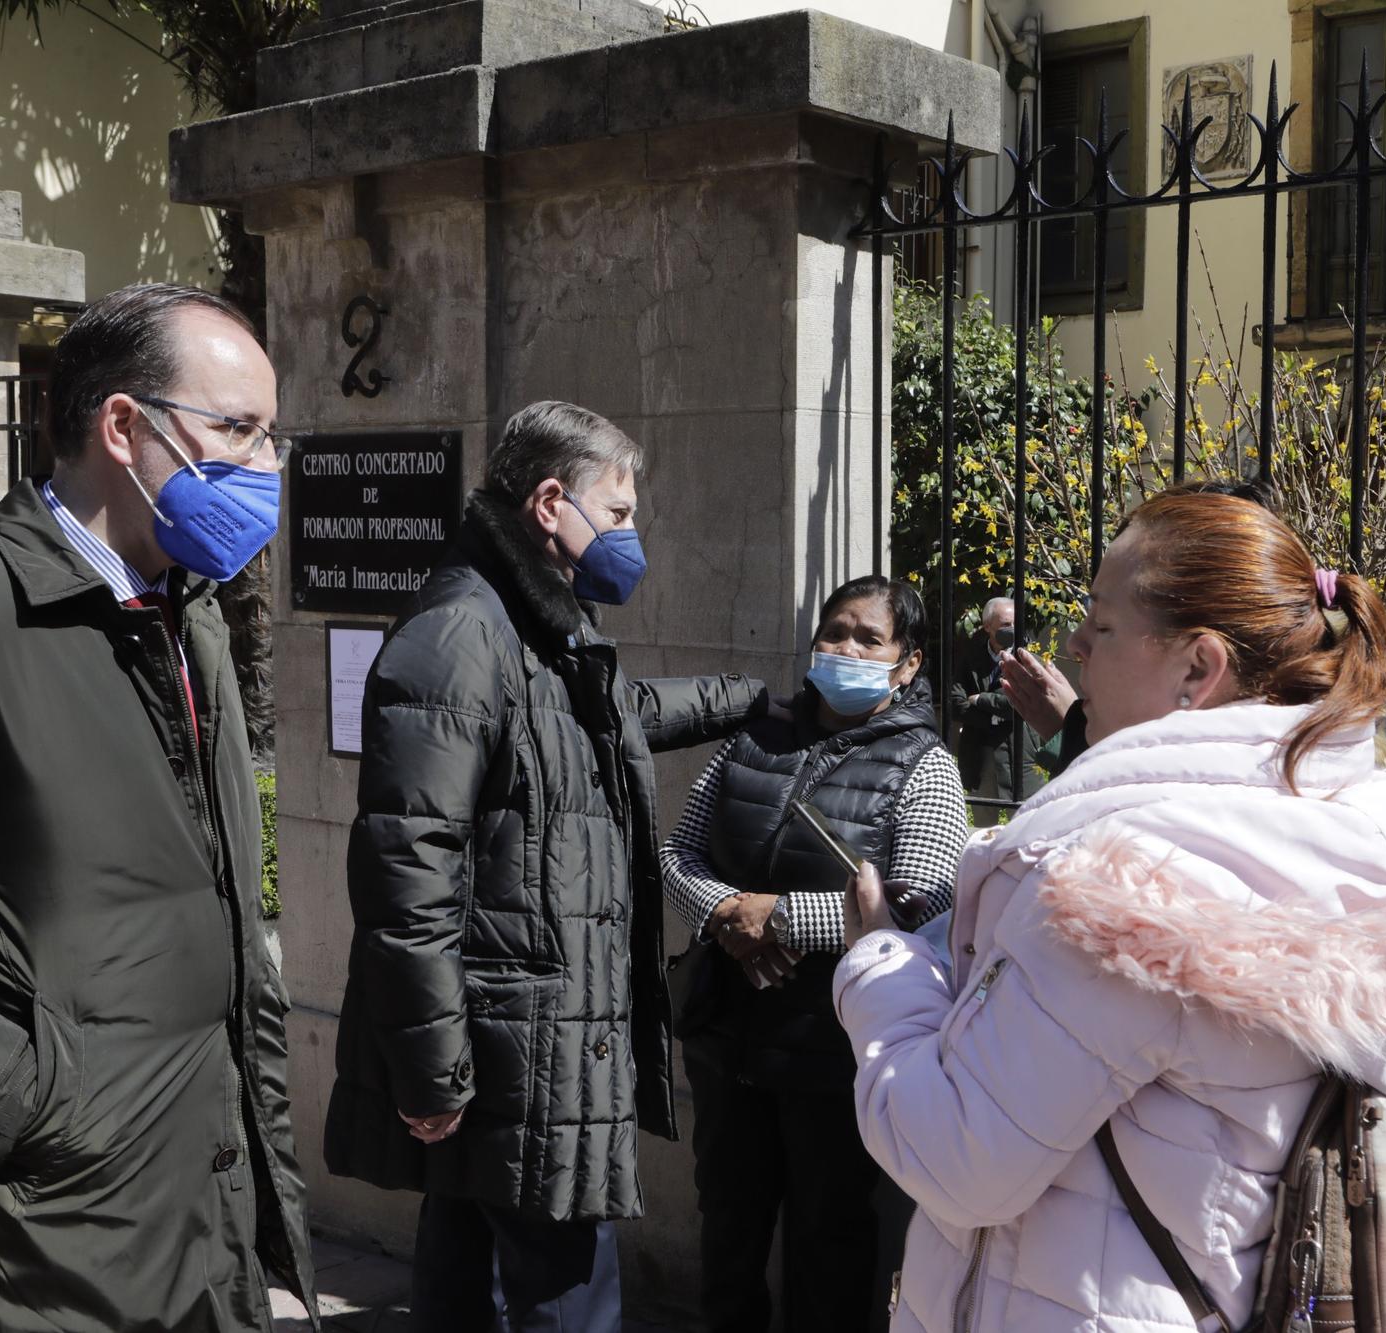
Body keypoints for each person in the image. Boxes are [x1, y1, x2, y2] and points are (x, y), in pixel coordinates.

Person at [832, 491, 1386, 1332]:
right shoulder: (1366, 834)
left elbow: (958, 1156)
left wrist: (881, 962)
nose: (1073, 646)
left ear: (1196, 670)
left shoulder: (1134, 889)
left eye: (1099, 625)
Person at [0, 282, 317, 1330]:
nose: (265, 467)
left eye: (272, 435)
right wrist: (32, 1103)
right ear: (121, 425)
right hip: (45, 1240)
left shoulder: (187, 616)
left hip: (207, 1215)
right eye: (237, 430)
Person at [325, 401, 778, 1331]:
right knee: (565, 1297)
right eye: (617, 514)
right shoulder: (462, 634)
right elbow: (406, 872)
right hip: (511, 1051)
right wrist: (434, 1069)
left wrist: (749, 698)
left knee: (465, 1285)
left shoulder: (532, 626)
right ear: (547, 503)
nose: (631, 536)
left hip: (521, 1042)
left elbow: (601, 718)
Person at [661, 575, 967, 1333]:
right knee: (728, 1241)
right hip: (731, 1040)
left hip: (837, 1059)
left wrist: (784, 918)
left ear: (907, 663)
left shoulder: (924, 765)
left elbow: (920, 906)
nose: (846, 648)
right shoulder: (753, 739)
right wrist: (728, 912)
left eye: (869, 638)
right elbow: (679, 850)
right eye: (836, 631)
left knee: (829, 1254)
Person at [951, 596, 1046, 817]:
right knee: (984, 824)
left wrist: (981, 699)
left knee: (1027, 823)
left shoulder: (1030, 657)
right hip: (981, 756)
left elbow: (1019, 701)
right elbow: (955, 703)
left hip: (1022, 754)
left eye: (1014, 623)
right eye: (1005, 624)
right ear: (987, 626)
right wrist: (994, 718)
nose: (1012, 628)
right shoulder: (970, 657)